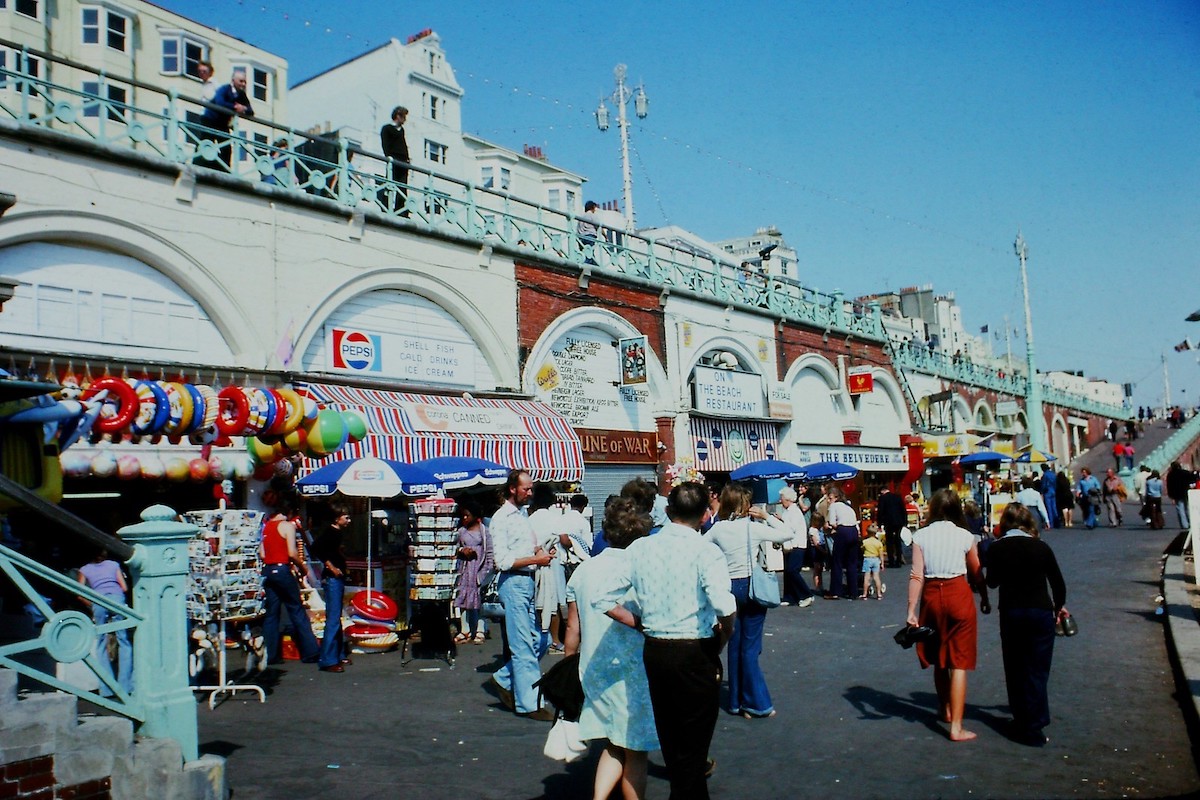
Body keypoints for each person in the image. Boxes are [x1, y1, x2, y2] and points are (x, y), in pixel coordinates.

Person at [599, 482, 735, 799]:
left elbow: (604, 597)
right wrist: (725, 634)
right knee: (693, 744)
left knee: (673, 740)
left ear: (669, 510)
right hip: (695, 649)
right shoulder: (706, 551)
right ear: (704, 516)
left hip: (657, 649)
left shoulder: (641, 548)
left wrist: (641, 624)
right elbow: (724, 604)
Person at [563, 498, 658, 800]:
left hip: (593, 668)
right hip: (633, 671)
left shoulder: (584, 571)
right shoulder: (643, 569)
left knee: (614, 743)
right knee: (636, 748)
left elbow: (572, 629)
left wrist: (569, 667)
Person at [906, 488, 989, 742]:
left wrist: (911, 609)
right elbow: (975, 571)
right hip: (958, 592)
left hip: (932, 595)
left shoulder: (921, 535)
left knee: (938, 656)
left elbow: (917, 575)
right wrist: (984, 595)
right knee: (959, 661)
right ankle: (956, 726)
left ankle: (945, 709)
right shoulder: (965, 536)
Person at [703, 482, 791, 718]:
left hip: (729, 587)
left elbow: (700, 547)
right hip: (752, 586)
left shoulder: (718, 529)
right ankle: (756, 702)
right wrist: (766, 516)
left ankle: (736, 702)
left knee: (735, 643)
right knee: (750, 647)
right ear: (745, 504)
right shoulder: (753, 528)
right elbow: (787, 534)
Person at [985, 503, 1068, 746]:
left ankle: (1021, 719)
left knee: (1015, 667)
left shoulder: (997, 547)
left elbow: (992, 583)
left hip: (1012, 612)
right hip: (1040, 610)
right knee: (1038, 668)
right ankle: (1036, 721)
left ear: (1005, 523)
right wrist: (1057, 607)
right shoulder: (1041, 547)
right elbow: (1058, 584)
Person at [489, 469, 555, 721]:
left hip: (528, 582)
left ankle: (503, 678)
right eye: (525, 488)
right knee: (523, 646)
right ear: (512, 489)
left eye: (531, 488)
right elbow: (503, 561)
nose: (530, 492)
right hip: (514, 583)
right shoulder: (501, 518)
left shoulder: (522, 515)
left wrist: (541, 553)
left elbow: (528, 545)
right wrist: (535, 559)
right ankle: (530, 703)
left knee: (540, 640)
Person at [260, 505, 320, 666]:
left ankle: (271, 654)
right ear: (290, 512)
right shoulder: (287, 526)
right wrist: (303, 567)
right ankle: (311, 652)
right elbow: (292, 552)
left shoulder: (265, 527)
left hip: (268, 570)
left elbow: (262, 553)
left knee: (272, 614)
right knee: (296, 609)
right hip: (282, 569)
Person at [76, 548, 132, 696]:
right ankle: (125, 686)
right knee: (124, 641)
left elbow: (80, 594)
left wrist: (93, 605)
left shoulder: (84, 569)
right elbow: (124, 587)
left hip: (98, 601)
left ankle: (106, 688)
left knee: (101, 643)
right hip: (117, 600)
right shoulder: (113, 565)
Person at [310, 504, 352, 672]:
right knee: (333, 619)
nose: (349, 520)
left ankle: (339, 654)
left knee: (337, 617)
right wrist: (331, 567)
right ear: (337, 518)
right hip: (332, 579)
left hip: (338, 578)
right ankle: (327, 659)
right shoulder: (330, 533)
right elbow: (317, 549)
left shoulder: (336, 534)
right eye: (346, 517)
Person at [453, 500, 493, 645]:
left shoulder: (485, 532)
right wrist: (462, 551)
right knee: (463, 599)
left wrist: (487, 572)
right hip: (465, 570)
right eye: (463, 516)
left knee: (479, 600)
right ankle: (465, 629)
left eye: (467, 516)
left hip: (479, 570)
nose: (464, 518)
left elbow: (489, 553)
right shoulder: (461, 532)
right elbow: (454, 548)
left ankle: (480, 629)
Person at [197, 69, 254, 169]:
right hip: (210, 119)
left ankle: (224, 169)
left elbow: (251, 111)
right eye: (241, 81)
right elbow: (220, 103)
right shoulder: (224, 89)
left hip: (222, 123)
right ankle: (198, 165)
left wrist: (243, 108)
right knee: (205, 143)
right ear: (233, 80)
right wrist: (235, 107)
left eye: (245, 82)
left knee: (226, 148)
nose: (243, 84)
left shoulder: (242, 95)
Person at [776, 486, 814, 607]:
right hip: (791, 544)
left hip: (797, 545)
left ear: (787, 499)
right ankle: (790, 597)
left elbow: (790, 528)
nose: (780, 500)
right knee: (788, 571)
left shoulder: (794, 511)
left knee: (792, 570)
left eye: (781, 498)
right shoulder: (789, 511)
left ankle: (806, 594)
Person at [825, 486, 861, 600]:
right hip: (853, 531)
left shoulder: (834, 506)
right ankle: (853, 591)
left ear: (835, 497)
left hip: (843, 531)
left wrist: (831, 527)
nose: (828, 501)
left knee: (837, 562)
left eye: (829, 498)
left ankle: (835, 591)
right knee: (852, 563)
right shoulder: (848, 506)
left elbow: (832, 523)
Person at [379, 105, 410, 214]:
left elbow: (403, 145)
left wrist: (407, 159)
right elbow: (385, 143)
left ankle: (402, 210)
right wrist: (388, 156)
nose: (405, 120)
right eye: (404, 117)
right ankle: (385, 207)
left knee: (403, 186)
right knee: (389, 183)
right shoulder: (387, 128)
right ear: (398, 116)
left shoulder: (401, 130)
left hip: (403, 161)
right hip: (393, 160)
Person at [876, 484, 908, 567]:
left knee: (889, 542)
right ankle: (899, 560)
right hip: (899, 522)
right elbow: (903, 510)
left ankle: (891, 561)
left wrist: (879, 524)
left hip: (888, 522)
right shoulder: (897, 497)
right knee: (898, 540)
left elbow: (880, 511)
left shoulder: (883, 498)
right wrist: (905, 522)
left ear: (882, 491)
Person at [1166, 461, 1197, 530]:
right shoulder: (1185, 472)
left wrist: (1171, 496)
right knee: (1188, 509)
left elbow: (1169, 486)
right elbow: (1193, 479)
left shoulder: (1170, 474)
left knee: (1180, 509)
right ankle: (1191, 523)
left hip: (1176, 494)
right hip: (1186, 492)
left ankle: (1184, 525)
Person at [860, 524, 885, 599]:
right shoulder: (878, 543)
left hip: (867, 559)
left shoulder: (865, 542)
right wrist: (882, 563)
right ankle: (879, 594)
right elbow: (881, 555)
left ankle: (864, 594)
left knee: (866, 577)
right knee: (876, 577)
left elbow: (862, 549)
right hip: (876, 559)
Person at [807, 511, 828, 593]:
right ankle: (817, 587)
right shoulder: (812, 530)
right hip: (816, 550)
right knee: (817, 569)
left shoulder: (819, 529)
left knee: (820, 569)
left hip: (820, 548)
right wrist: (823, 551)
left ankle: (820, 585)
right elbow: (816, 543)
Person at [577, 200, 601, 265]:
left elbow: (578, 229)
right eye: (594, 208)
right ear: (592, 207)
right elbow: (598, 225)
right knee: (589, 255)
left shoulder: (581, 217)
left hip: (581, 237)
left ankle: (594, 267)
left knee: (585, 254)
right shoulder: (591, 215)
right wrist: (606, 237)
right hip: (590, 236)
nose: (595, 210)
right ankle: (587, 268)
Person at [1039, 464, 1059, 528]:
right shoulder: (1053, 474)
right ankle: (1057, 522)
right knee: (1054, 507)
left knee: (1049, 508)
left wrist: (1041, 491)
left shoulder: (1045, 475)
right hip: (1053, 491)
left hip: (1047, 492)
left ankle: (1051, 523)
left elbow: (1044, 485)